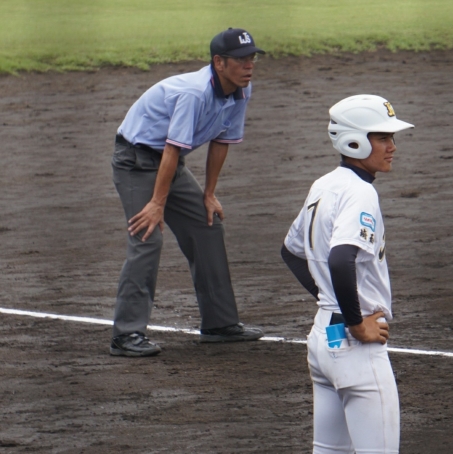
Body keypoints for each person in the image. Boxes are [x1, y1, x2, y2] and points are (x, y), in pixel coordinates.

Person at [110, 28, 265, 357]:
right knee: (147, 236)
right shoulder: (195, 93)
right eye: (241, 59)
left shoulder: (241, 89)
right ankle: (126, 335)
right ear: (219, 63)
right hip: (136, 161)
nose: (249, 65)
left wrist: (209, 193)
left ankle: (219, 324)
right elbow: (171, 148)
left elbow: (221, 140)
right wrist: (157, 203)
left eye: (252, 57)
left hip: (169, 163)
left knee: (207, 225)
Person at [281, 94, 414, 453]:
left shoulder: (324, 185)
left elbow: (291, 251)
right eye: (382, 138)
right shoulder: (360, 193)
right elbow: (341, 259)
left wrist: (333, 300)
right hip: (356, 350)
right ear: (354, 140)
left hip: (324, 339)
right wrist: (356, 321)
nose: (392, 147)